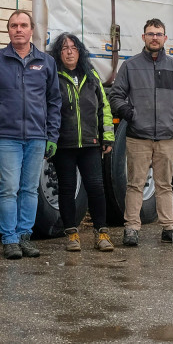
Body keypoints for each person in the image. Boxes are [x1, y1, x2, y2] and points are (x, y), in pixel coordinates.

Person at [0, 10, 61, 259]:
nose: (18, 29)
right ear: (8, 31)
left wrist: (52, 136)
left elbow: (54, 101)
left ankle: (24, 237)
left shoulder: (46, 62)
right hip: (7, 136)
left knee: (29, 189)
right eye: (13, 26)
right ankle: (9, 240)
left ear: (32, 30)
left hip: (37, 137)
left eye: (23, 25)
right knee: (9, 188)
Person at [109, 18, 173, 247]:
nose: (154, 38)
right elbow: (116, 96)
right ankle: (131, 229)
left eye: (159, 34)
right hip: (138, 136)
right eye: (150, 34)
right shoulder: (130, 66)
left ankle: (168, 228)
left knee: (165, 184)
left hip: (167, 138)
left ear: (165, 38)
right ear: (143, 37)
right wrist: (131, 114)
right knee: (135, 184)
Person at [47, 32, 115, 252]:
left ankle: (102, 233)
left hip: (90, 143)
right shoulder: (53, 76)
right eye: (64, 48)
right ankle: (72, 235)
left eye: (73, 48)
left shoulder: (91, 75)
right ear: (58, 53)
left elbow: (104, 108)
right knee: (66, 189)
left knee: (96, 187)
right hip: (63, 144)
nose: (69, 52)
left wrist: (107, 136)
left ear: (80, 52)